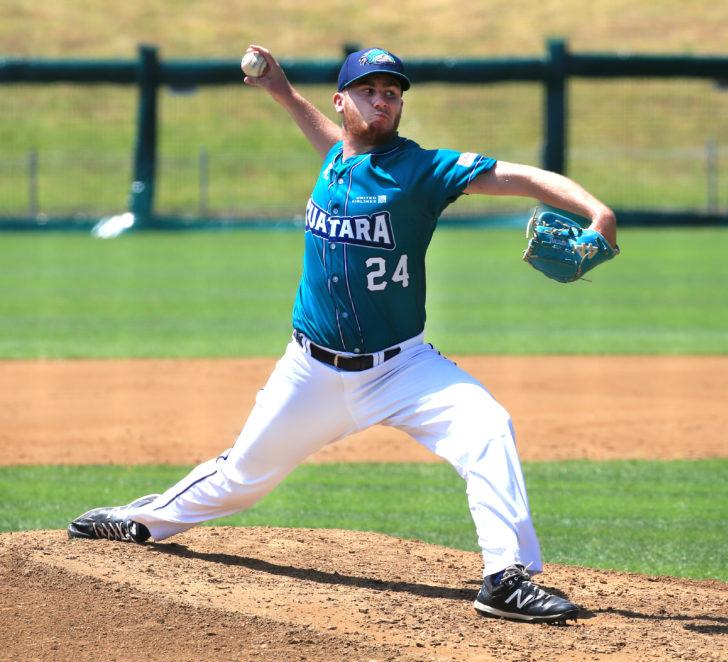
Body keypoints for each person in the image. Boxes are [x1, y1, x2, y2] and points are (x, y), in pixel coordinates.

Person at [68, 46, 617, 624]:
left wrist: (597, 211)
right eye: (369, 91)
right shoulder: (337, 158)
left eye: (392, 93)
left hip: (403, 368)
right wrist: (280, 90)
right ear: (342, 101)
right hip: (310, 373)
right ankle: (140, 519)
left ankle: (505, 579)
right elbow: (332, 140)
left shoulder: (424, 170)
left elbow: (521, 176)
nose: (382, 100)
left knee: (486, 425)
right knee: (242, 480)